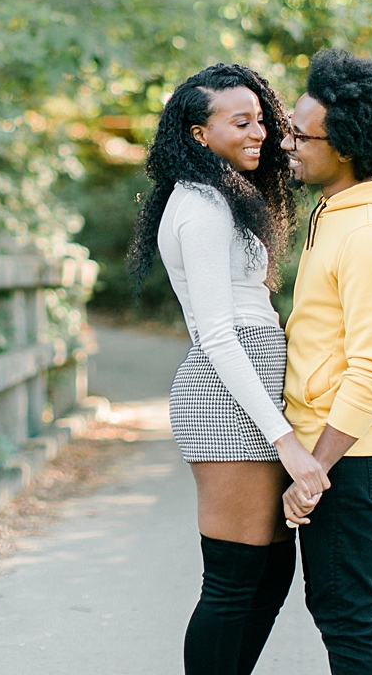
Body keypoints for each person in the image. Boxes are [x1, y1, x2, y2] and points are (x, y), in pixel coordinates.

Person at [126, 63, 330, 675]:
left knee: (269, 570)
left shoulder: (222, 198)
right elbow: (217, 334)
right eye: (240, 122)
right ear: (197, 134)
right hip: (226, 398)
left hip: (250, 390)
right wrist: (288, 443)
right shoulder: (201, 208)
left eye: (262, 120)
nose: (259, 132)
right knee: (235, 581)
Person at [278, 48, 372, 675]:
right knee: (341, 613)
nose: (287, 144)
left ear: (342, 147)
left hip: (352, 453)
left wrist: (315, 467)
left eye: (298, 135)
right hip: (340, 445)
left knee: (348, 620)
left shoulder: (367, 233)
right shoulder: (337, 214)